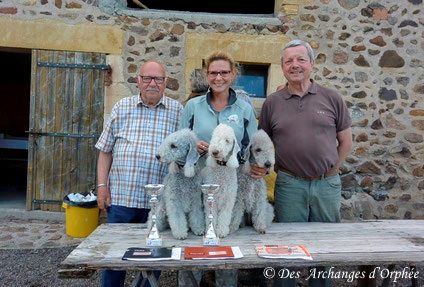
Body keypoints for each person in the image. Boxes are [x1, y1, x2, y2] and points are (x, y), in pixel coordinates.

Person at [259, 39, 352, 287]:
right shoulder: (272, 103)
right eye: (288, 61)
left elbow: (345, 141)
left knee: (323, 249)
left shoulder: (332, 98)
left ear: (311, 63)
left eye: (301, 59)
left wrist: (334, 169)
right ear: (282, 66)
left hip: (326, 185)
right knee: (286, 248)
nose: (295, 65)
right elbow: (263, 143)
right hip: (290, 184)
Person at [95, 60, 183, 287]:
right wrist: (102, 187)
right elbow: (105, 151)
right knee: (115, 258)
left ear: (166, 82)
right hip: (123, 199)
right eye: (147, 78)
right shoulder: (121, 107)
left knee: (154, 260)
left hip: (160, 204)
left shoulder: (177, 112)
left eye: (158, 79)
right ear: (138, 81)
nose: (152, 83)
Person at [179, 50, 262, 287]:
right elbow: (182, 140)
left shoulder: (244, 110)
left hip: (229, 184)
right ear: (207, 75)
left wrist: (258, 168)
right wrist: (195, 145)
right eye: (213, 72)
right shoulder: (193, 106)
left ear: (233, 74)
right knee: (193, 248)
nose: (219, 78)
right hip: (196, 183)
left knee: (226, 246)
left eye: (224, 72)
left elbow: (251, 145)